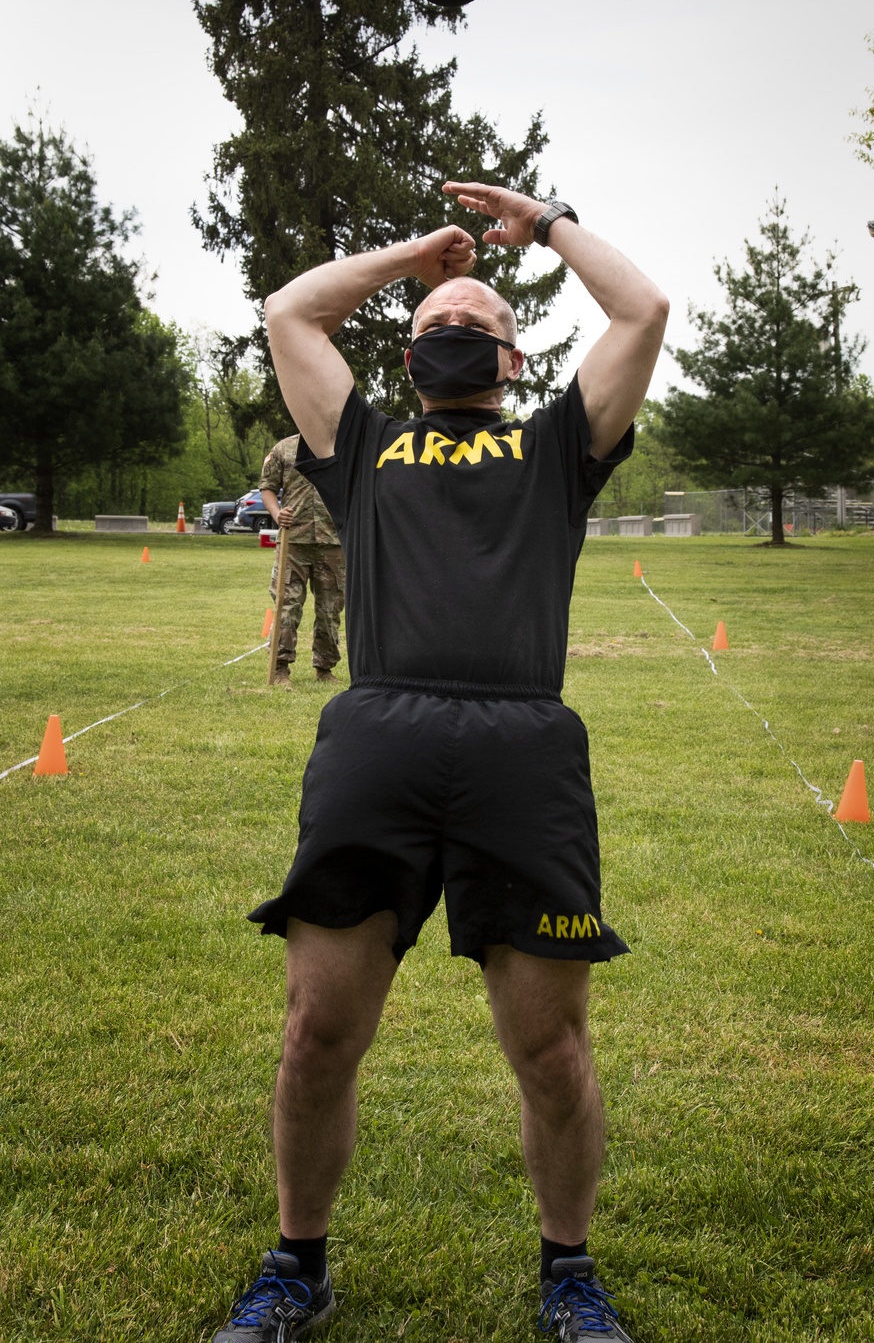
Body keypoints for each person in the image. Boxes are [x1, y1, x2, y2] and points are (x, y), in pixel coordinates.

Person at [212, 182, 669, 1343]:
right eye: (432, 320)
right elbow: (291, 314)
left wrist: (546, 224)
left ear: (511, 359)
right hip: (378, 738)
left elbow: (643, 307)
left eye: (476, 316)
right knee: (319, 1031)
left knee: (551, 1046)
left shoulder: (558, 444)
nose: (451, 323)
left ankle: (568, 1273)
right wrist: (416, 252)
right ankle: (296, 1264)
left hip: (522, 748)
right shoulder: (358, 442)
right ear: (412, 358)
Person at [259, 436, 345, 687]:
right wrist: (277, 514)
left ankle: (325, 668)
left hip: (333, 541)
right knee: (287, 606)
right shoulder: (283, 449)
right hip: (294, 540)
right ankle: (279, 670)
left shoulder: (342, 446)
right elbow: (267, 487)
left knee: (330, 609)